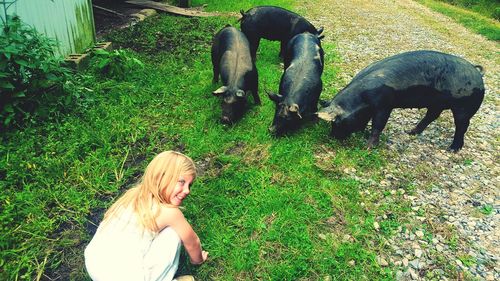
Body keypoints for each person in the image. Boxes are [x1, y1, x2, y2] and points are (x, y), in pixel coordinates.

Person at [84, 151, 208, 281]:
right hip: (125, 277)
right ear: (161, 177)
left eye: (189, 185)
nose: (187, 190)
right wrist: (198, 260)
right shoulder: (170, 213)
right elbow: (193, 242)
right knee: (174, 233)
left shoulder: (132, 195)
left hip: (95, 264)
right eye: (182, 182)